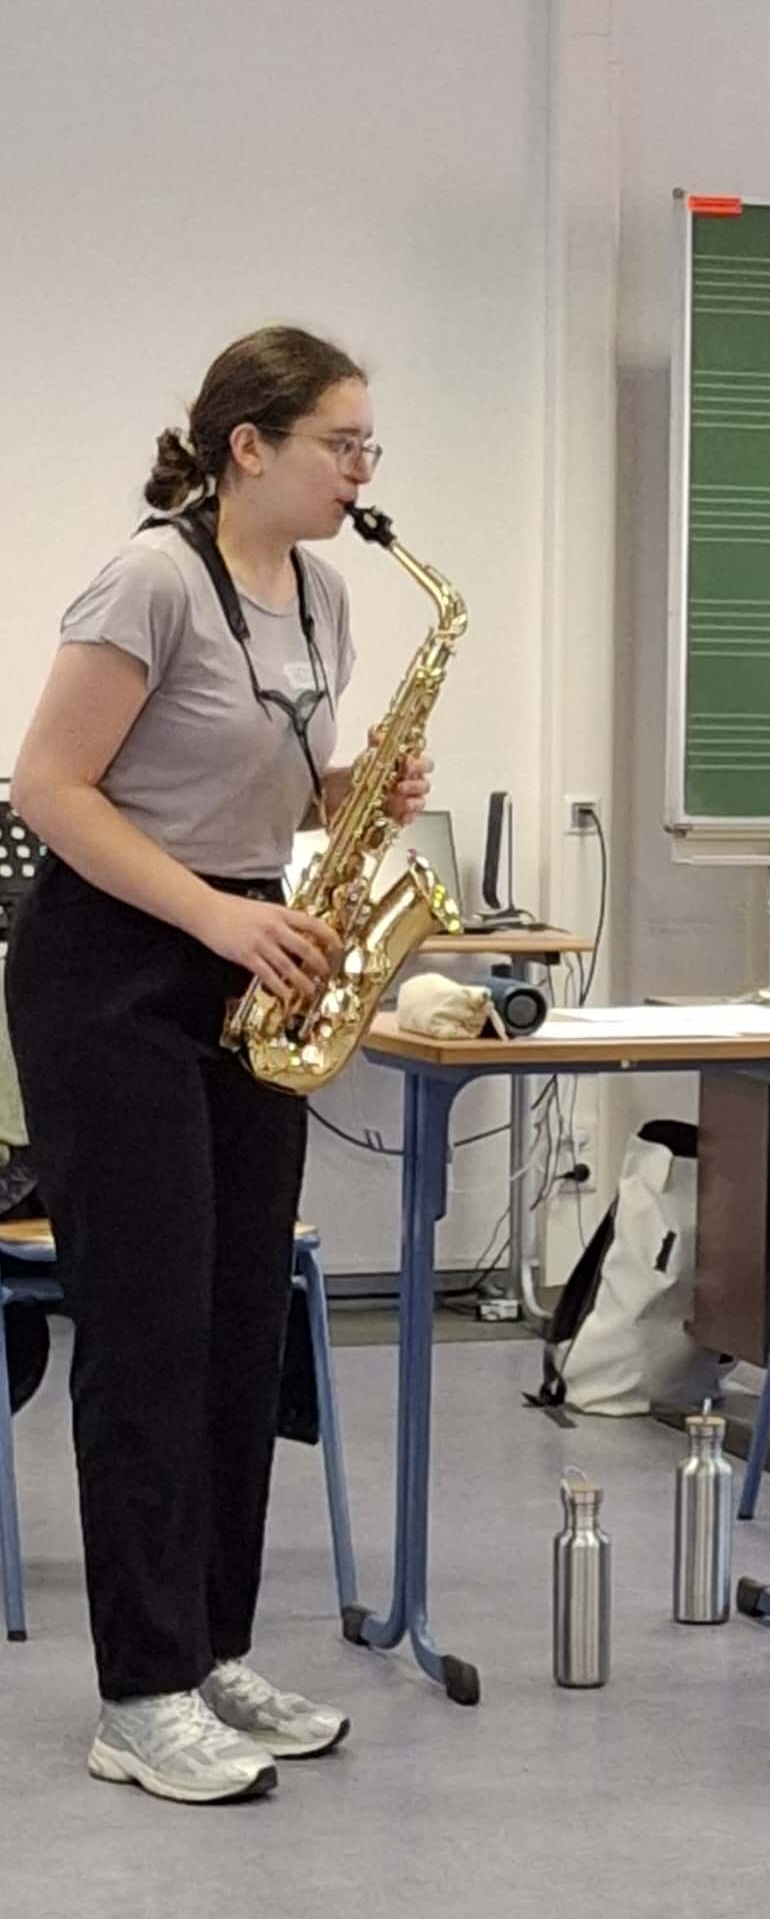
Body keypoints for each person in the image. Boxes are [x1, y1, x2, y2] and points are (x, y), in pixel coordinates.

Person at [4, 327, 431, 1802]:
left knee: (242, 1319)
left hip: (242, 958)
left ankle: (212, 1647)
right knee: (148, 1326)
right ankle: (137, 1690)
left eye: (370, 447)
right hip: (112, 968)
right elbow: (49, 787)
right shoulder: (149, 578)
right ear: (249, 445)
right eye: (342, 444)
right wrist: (216, 919)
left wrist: (355, 784)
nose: (363, 474)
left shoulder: (318, 589)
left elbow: (257, 769)